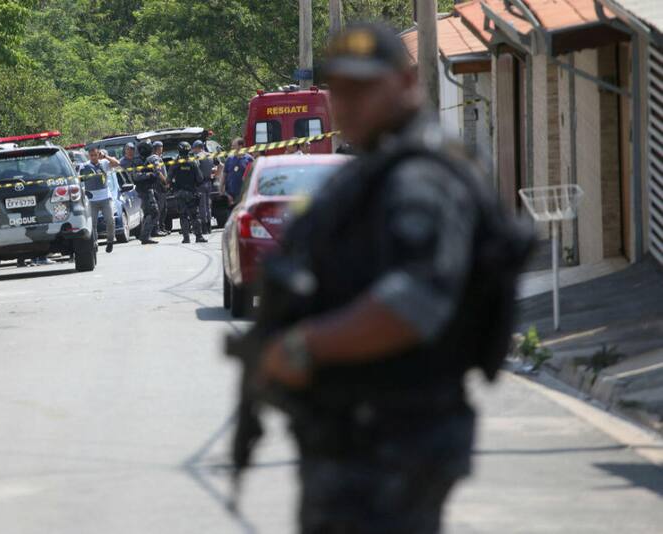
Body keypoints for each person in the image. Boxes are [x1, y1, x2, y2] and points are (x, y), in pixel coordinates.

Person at [253, 22, 524, 534]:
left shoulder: (422, 178)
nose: (347, 104)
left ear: (406, 83)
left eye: (362, 88)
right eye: (337, 90)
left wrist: (303, 346)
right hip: (359, 435)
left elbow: (415, 300)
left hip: (397, 436)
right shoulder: (371, 172)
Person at [80, 147, 122, 253]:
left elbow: (117, 163)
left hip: (105, 198)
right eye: (91, 155)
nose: (94, 157)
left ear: (98, 154)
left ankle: (110, 242)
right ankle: (94, 243)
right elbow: (79, 181)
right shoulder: (84, 166)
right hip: (92, 199)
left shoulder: (104, 163)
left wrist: (105, 156)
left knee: (110, 220)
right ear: (89, 156)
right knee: (92, 224)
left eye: (95, 155)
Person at [167, 142, 207, 244]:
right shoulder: (193, 163)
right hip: (191, 193)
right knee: (194, 215)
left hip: (179, 193)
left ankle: (186, 238)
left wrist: (172, 187)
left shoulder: (175, 164)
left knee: (183, 216)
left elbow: (168, 179)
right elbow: (200, 178)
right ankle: (199, 236)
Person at [132, 141, 163, 244]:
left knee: (149, 213)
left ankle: (145, 235)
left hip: (149, 188)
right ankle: (145, 236)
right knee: (153, 212)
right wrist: (149, 175)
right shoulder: (137, 161)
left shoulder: (148, 159)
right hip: (144, 190)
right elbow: (136, 176)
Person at [191, 140, 220, 234]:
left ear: (198, 147)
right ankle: (209, 227)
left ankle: (204, 227)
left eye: (194, 148)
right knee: (208, 205)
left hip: (201, 184)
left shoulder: (198, 157)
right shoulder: (210, 155)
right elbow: (220, 165)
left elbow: (195, 169)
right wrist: (215, 175)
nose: (193, 150)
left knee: (202, 206)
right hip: (209, 182)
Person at [220, 138, 254, 206]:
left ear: (240, 146)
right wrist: (221, 189)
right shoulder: (229, 159)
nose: (232, 148)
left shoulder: (249, 159)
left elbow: (253, 175)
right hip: (229, 193)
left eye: (234, 146)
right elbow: (224, 174)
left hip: (243, 193)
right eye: (232, 146)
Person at [152, 140, 170, 236]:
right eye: (161, 147)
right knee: (159, 208)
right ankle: (157, 228)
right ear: (157, 148)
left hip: (162, 187)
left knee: (164, 209)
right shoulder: (156, 159)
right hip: (159, 186)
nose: (162, 149)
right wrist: (165, 182)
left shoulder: (159, 158)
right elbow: (158, 172)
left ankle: (162, 227)